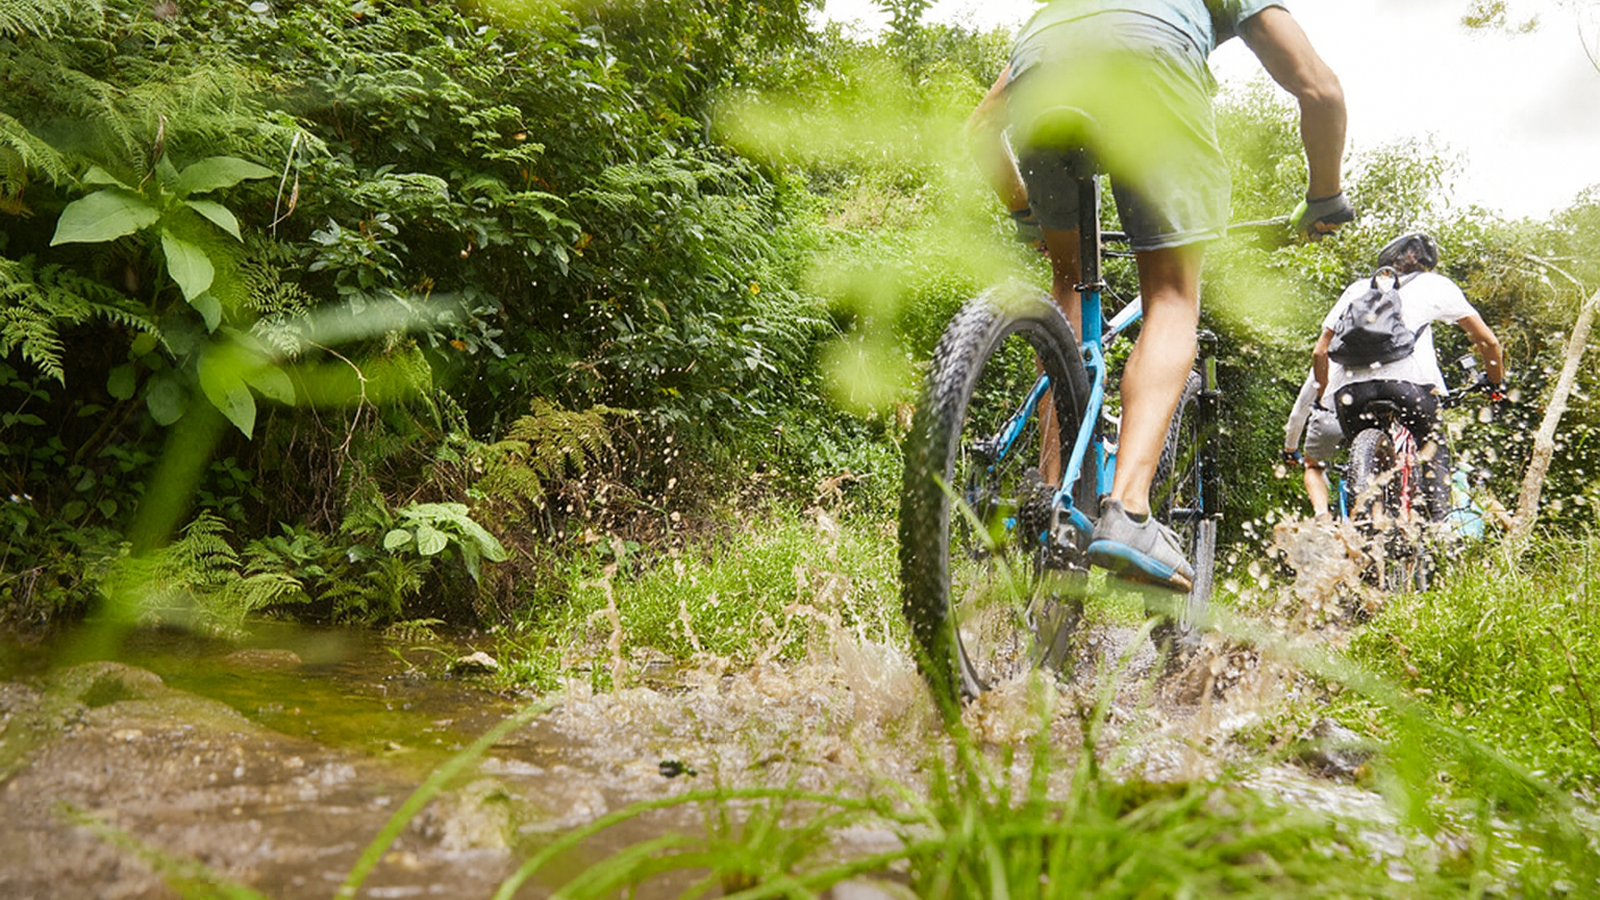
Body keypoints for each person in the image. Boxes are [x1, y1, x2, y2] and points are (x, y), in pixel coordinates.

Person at [968, 2, 1352, 591]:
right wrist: (1325, 196)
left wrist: (1025, 212)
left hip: (1042, 71)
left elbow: (981, 128)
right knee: (1171, 295)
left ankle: (1052, 492)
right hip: (1151, 69)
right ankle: (1128, 509)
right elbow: (1320, 90)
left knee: (1068, 279)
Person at [1311, 232, 1505, 521]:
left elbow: (1320, 352)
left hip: (1351, 394)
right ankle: (1437, 525)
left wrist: (1321, 398)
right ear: (1428, 263)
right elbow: (1488, 342)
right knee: (1432, 446)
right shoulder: (1436, 285)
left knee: (1358, 462)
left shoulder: (1357, 289)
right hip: (1410, 387)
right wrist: (1495, 381)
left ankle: (1361, 523)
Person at [1282, 364, 1344, 518]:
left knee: (1313, 467)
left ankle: (1322, 515)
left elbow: (1298, 412)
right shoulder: (1389, 355)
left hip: (1331, 422)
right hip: (1371, 420)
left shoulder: (1329, 361)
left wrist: (1290, 449)